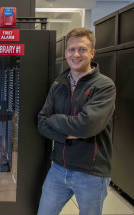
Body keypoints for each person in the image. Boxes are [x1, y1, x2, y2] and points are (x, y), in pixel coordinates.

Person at [37, 28, 116, 215]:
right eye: (71, 49)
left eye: (82, 49)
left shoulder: (104, 86)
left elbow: (86, 126)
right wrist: (70, 134)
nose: (76, 54)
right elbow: (41, 122)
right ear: (65, 53)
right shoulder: (59, 85)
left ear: (92, 53)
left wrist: (55, 119)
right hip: (58, 168)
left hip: (91, 173)